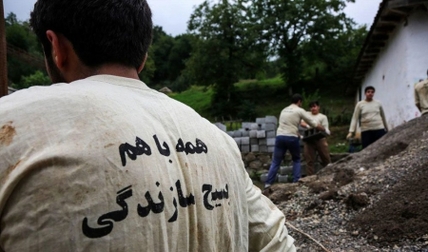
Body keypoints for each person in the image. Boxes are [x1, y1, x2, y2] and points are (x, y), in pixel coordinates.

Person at [0, 0, 296, 251]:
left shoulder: (12, 124)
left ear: (57, 47)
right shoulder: (218, 142)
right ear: (142, 57)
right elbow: (278, 242)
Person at [264, 94, 325, 189]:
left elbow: (286, 124)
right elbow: (312, 123)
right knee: (296, 159)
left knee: (276, 161)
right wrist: (322, 129)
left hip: (280, 136)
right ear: (299, 101)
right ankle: (296, 182)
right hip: (291, 137)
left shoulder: (284, 110)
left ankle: (268, 183)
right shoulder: (300, 110)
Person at [300, 101, 331, 176]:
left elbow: (325, 128)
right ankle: (310, 177)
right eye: (311, 107)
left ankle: (329, 174)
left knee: (325, 158)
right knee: (309, 160)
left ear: (318, 107)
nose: (313, 108)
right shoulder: (307, 114)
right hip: (309, 139)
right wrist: (309, 126)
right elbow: (301, 122)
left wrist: (320, 128)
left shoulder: (323, 117)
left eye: (315, 106)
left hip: (320, 138)